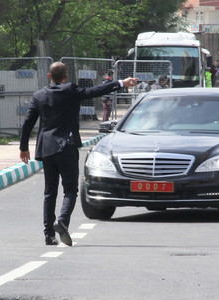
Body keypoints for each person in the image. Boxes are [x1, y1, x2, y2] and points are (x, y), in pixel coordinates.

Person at [19, 62, 137, 246]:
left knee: (49, 192)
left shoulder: (39, 96)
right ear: (65, 77)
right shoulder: (71, 90)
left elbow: (28, 123)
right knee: (70, 190)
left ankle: (48, 235)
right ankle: (62, 221)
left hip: (47, 149)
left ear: (49, 77)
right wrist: (121, 83)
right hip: (67, 146)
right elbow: (95, 91)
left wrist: (23, 147)